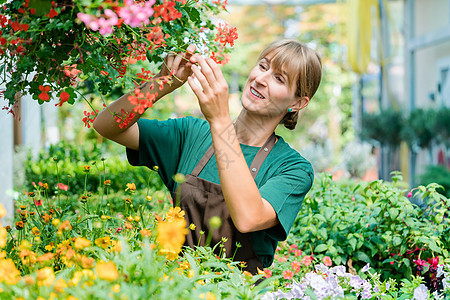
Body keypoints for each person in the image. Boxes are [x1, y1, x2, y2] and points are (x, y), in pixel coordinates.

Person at [93, 40, 322, 274]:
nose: (261, 79)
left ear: (297, 102)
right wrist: (161, 83)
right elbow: (107, 126)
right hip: (176, 286)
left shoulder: (292, 168)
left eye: (279, 79)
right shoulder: (191, 134)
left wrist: (220, 121)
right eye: (263, 66)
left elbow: (247, 217)